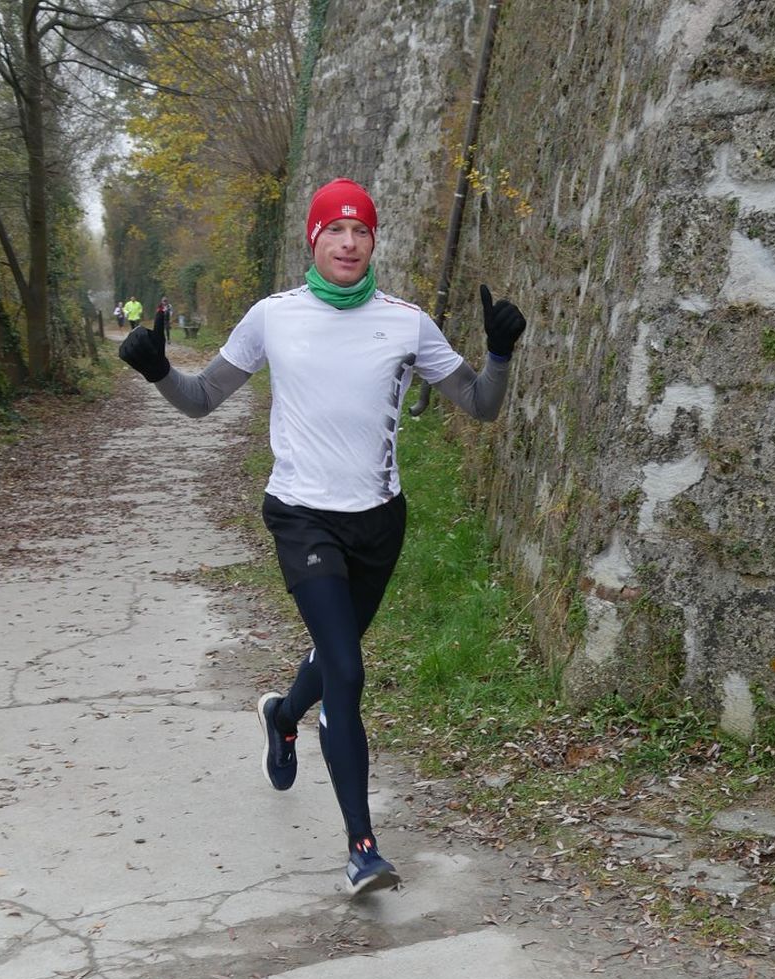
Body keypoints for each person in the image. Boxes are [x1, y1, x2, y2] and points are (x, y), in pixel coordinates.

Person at [117, 178, 525, 895]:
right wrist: (158, 371)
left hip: (379, 522)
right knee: (347, 671)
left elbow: (481, 406)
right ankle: (363, 847)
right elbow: (202, 398)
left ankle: (281, 716)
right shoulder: (274, 317)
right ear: (313, 240)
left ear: (373, 243)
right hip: (302, 515)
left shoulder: (406, 323)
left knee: (336, 657)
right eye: (333, 230)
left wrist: (498, 353)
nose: (348, 242)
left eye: (360, 230)